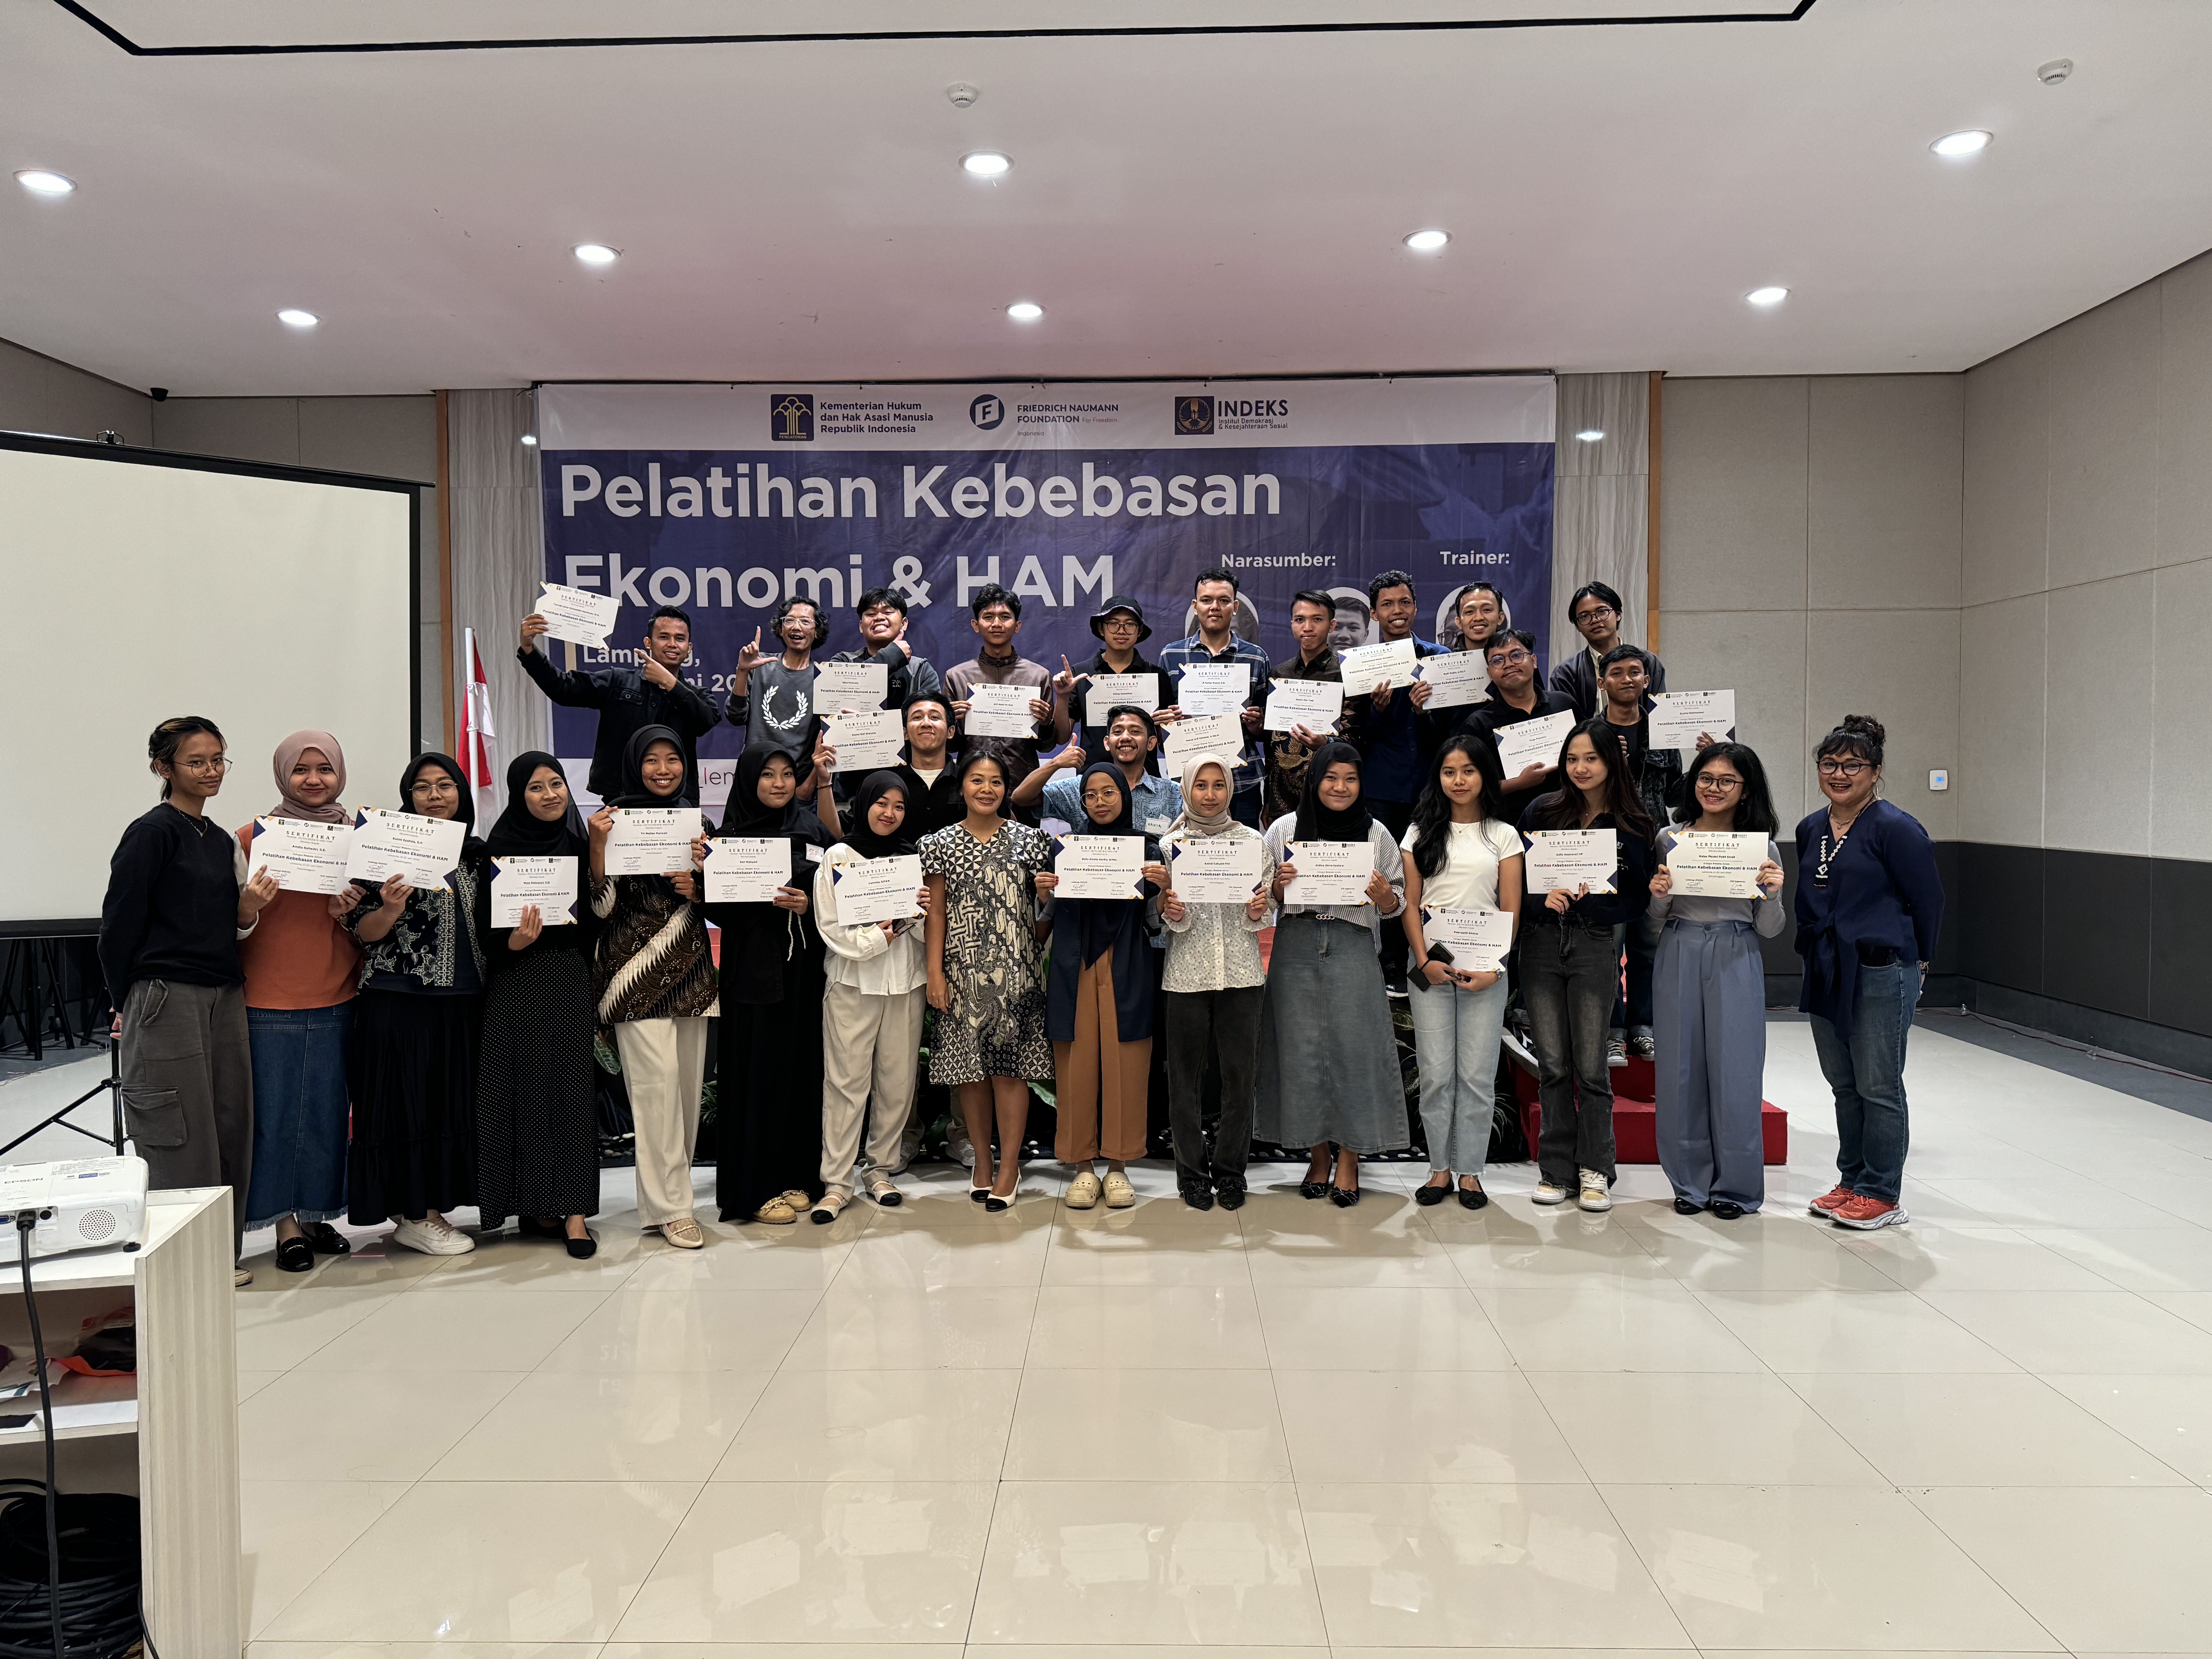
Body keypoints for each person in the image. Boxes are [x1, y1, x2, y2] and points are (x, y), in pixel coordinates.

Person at [100, 716, 271, 1282]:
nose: (211, 771)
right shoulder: (152, 833)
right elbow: (119, 925)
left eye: (219, 759)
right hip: (166, 995)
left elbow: (228, 925)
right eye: (196, 762)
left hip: (224, 992)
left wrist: (247, 910)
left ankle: (220, 1255)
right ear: (163, 768)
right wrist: (125, 1000)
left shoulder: (220, 840)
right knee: (179, 1130)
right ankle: (185, 1261)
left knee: (229, 1123)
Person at [1795, 715, 1942, 1232]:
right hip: (1828, 968)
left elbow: (1929, 901)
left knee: (1880, 1085)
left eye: (1852, 765)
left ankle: (1883, 1193)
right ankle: (1851, 1180)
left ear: (1875, 772)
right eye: (1829, 764)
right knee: (1844, 1084)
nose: (1839, 774)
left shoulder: (1896, 828)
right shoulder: (1812, 827)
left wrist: (1920, 963)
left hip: (1883, 970)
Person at [338, 752, 486, 1256]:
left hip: (463, 1003)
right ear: (409, 798)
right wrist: (393, 906)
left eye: (445, 785)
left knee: (446, 1105)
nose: (435, 795)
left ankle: (427, 1209)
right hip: (400, 1001)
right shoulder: (383, 854)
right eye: (422, 787)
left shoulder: (478, 854)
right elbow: (363, 932)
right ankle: (416, 1215)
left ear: (461, 793)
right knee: (407, 1108)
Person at [1256, 742, 1408, 1205]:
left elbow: (1398, 902)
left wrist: (1384, 896)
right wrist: (1278, 890)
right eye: (1331, 778)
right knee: (1300, 1052)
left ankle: (1350, 1160)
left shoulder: (1377, 833)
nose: (1340, 788)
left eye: (1351, 779)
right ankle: (1318, 1155)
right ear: (1314, 780)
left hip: (1352, 945)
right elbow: (1261, 900)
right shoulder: (1284, 829)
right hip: (1297, 946)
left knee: (1355, 1052)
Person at [584, 727, 718, 1248]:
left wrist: (700, 886)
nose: (664, 770)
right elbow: (600, 909)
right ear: (634, 764)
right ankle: (673, 1208)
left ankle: (658, 1201)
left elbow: (723, 904)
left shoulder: (699, 823)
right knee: (655, 1092)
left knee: (682, 1093)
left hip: (691, 976)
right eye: (652, 761)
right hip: (632, 978)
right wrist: (597, 848)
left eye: (673, 760)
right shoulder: (610, 822)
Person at [235, 732, 362, 1274]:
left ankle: (316, 1214)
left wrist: (352, 912)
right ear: (282, 775)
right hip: (268, 1000)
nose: (314, 780)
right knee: (277, 1117)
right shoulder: (248, 840)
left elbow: (378, 932)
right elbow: (225, 926)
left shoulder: (362, 839)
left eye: (325, 770)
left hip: (340, 994)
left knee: (328, 1116)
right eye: (301, 770)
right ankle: (285, 1224)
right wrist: (248, 905)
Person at [1519, 721, 1655, 1213]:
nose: (1580, 768)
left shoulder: (1633, 823)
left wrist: (1601, 905)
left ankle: (1596, 1169)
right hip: (1539, 945)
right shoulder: (1541, 811)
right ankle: (1555, 1171)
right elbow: (1515, 885)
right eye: (1572, 759)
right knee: (1553, 1065)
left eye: (1591, 759)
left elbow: (1638, 899)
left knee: (1593, 1068)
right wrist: (1541, 900)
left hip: (1596, 945)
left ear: (1610, 763)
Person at [1649, 742, 1787, 1220]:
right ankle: (1688, 1183)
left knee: (1737, 1073)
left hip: (1736, 951)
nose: (1713, 788)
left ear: (1745, 789)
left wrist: (1773, 894)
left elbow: (1770, 929)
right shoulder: (1670, 837)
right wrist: (1659, 896)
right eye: (1706, 778)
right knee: (1679, 1070)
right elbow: (1652, 924)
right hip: (1680, 948)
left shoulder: (1760, 846)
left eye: (1726, 781)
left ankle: (1737, 1188)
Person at [476, 752, 600, 1258]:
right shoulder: (498, 850)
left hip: (568, 979)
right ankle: (531, 1203)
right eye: (536, 787)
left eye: (556, 784)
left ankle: (574, 1215)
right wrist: (514, 944)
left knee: (570, 1094)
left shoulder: (577, 845)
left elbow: (596, 919)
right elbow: (486, 933)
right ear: (517, 794)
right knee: (519, 1092)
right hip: (514, 983)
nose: (550, 794)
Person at [921, 751, 1055, 1213]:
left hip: (1017, 974)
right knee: (971, 1076)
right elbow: (935, 913)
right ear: (962, 788)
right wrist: (935, 973)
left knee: (1009, 1073)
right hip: (960, 975)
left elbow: (1043, 922)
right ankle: (982, 1161)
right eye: (977, 781)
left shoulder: (1032, 842)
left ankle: (1010, 1166)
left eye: (996, 782)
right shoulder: (938, 844)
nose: (987, 789)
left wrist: (1044, 901)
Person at [710, 746, 836, 1224]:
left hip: (805, 972)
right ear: (748, 781)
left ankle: (794, 1176)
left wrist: (812, 906)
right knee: (758, 1077)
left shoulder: (810, 829)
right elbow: (720, 912)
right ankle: (755, 1189)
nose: (780, 783)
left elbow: (837, 890)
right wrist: (701, 880)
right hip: (755, 974)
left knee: (800, 1072)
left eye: (787, 774)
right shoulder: (728, 839)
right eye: (767, 775)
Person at [1399, 737, 1523, 1210]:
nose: (1459, 780)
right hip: (1430, 961)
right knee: (1435, 1074)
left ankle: (1470, 1172)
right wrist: (1424, 960)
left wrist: (1495, 967)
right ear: (1439, 778)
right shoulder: (1418, 833)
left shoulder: (1504, 835)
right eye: (1450, 771)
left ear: (1484, 776)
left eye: (1468, 771)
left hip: (1486, 966)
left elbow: (1510, 908)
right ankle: (1439, 1169)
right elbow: (1410, 904)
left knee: (1475, 1074)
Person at [1157, 753, 1276, 1210]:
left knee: (1239, 1078)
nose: (1210, 795)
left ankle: (1230, 1173)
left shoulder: (1254, 843)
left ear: (1231, 789)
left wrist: (1255, 913)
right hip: (1186, 974)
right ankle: (1190, 1174)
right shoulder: (1168, 846)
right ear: (1187, 789)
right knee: (1184, 1080)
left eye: (1219, 785)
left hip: (1243, 974)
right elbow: (1161, 919)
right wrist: (1174, 914)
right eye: (1201, 786)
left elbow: (1266, 909)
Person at [812, 770, 932, 1220]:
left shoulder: (910, 860)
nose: (890, 813)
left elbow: (923, 932)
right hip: (852, 984)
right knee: (846, 1084)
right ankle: (837, 1181)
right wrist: (877, 940)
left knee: (898, 1084)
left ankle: (880, 1170)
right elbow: (830, 925)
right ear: (864, 805)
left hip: (905, 984)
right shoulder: (840, 855)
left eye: (899, 807)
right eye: (882, 803)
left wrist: (918, 911)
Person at [1044, 764, 1163, 1210]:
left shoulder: (1148, 851)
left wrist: (1162, 891)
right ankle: (1081, 1168)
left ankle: (1118, 1167)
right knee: (1076, 1065)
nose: (1100, 801)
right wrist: (1045, 893)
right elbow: (1048, 918)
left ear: (1124, 795)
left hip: (1127, 962)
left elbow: (1159, 923)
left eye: (1108, 792)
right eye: (1091, 794)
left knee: (1126, 1063)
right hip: (1075, 965)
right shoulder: (1067, 850)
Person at [1344, 570, 1444, 991]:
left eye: (1404, 603)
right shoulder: (1360, 665)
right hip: (1381, 790)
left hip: (1429, 788)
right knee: (1385, 877)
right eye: (1388, 605)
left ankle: (1431, 965)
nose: (1397, 611)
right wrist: (1379, 710)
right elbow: (1353, 735)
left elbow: (1456, 732)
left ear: (1416, 608)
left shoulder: (1441, 659)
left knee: (1431, 876)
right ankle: (1389, 975)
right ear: (1374, 613)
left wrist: (1427, 712)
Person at [518, 603, 719, 804]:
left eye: (680, 639)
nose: (672, 644)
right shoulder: (618, 681)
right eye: (664, 637)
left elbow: (706, 721)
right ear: (648, 643)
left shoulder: (698, 695)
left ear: (689, 648)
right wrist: (529, 650)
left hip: (677, 800)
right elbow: (563, 689)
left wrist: (669, 683)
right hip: (621, 798)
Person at [1595, 642, 1685, 1061]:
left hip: (1654, 849)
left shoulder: (1666, 732)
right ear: (1602, 682)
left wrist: (1705, 759)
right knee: (1609, 947)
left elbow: (1678, 796)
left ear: (1647, 681)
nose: (1627, 679)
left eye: (1635, 672)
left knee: (1649, 945)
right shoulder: (1589, 734)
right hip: (1604, 850)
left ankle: (1642, 1025)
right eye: (1617, 673)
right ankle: (1613, 1029)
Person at [1158, 568, 1270, 826]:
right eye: (1207, 600)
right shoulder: (1171, 656)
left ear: (1236, 606)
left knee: (1243, 862)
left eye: (1224, 600)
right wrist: (1166, 722)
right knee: (1190, 860)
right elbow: (1161, 729)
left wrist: (1258, 725)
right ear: (1196, 607)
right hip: (1189, 781)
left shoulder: (1256, 657)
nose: (1215, 607)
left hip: (1242, 782)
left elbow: (1268, 730)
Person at [942, 585, 1057, 805]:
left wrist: (1046, 723)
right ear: (976, 625)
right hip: (972, 790)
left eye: (1005, 617)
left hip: (1022, 789)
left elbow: (1046, 746)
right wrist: (952, 724)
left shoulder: (1039, 676)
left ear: (1018, 626)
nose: (997, 624)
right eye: (988, 617)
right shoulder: (956, 676)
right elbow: (950, 746)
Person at [1462, 629, 1578, 828]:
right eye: (1498, 660)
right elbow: (1470, 783)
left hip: (1571, 819)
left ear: (1533, 661)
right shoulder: (1479, 724)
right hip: (1508, 827)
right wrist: (1518, 783)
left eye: (1516, 655)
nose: (1508, 665)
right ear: (1490, 673)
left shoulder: (1564, 704)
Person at [1022, 704, 1182, 830]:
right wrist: (1055, 763)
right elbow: (1022, 798)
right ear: (1107, 743)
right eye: (1118, 732)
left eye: (1135, 731)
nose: (1125, 737)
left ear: (1151, 743)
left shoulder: (1174, 794)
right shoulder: (1079, 788)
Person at [1048, 595, 1177, 748]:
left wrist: (1171, 725)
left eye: (1130, 625)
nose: (1121, 631)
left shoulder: (1156, 676)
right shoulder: (1082, 674)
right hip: (1095, 769)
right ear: (1102, 629)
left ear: (1140, 631)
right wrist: (1062, 696)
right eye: (1113, 624)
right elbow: (1062, 738)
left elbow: (1166, 746)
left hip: (1143, 770)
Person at [1265, 590, 1347, 825]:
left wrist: (1327, 743)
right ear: (1292, 624)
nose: (1308, 627)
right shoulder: (1280, 674)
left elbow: (1359, 738)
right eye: (1300, 620)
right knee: (1284, 861)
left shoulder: (1346, 673)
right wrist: (1268, 801)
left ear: (1332, 625)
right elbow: (1272, 746)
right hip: (1283, 798)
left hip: (1332, 790)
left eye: (1317, 619)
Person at [726, 596, 829, 781]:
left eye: (805, 622)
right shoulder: (760, 666)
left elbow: (828, 741)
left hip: (798, 785)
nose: (796, 627)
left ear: (817, 632)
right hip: (752, 778)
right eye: (789, 621)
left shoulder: (824, 678)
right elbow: (735, 716)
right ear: (781, 630)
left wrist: (807, 789)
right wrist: (742, 672)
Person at [1549, 581, 1668, 722]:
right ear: (1578, 627)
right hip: (1589, 743)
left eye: (1602, 612)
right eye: (1585, 616)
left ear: (1618, 615)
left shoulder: (1648, 662)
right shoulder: (1566, 673)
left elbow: (1659, 719)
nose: (1595, 620)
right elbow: (1566, 730)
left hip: (1641, 742)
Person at [833, 586, 944, 710]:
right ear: (861, 627)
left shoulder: (920, 670)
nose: (879, 618)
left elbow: (929, 717)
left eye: (888, 613)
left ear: (904, 624)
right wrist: (891, 656)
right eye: (871, 614)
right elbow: (834, 703)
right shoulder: (843, 661)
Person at [888, 690, 965, 839]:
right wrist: (827, 783)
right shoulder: (889, 783)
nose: (926, 723)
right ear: (905, 734)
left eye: (935, 717)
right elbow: (845, 834)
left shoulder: (968, 781)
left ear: (951, 732)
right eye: (917, 717)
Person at [1439, 581, 1506, 673]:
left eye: (1487, 610)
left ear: (1500, 617)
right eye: (1470, 612)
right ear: (1459, 622)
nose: (1478, 618)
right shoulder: (1445, 668)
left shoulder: (1516, 662)